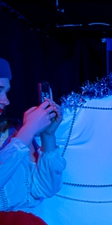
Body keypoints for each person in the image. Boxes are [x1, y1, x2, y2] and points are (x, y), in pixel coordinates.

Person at [0, 57, 65, 213]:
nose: (6, 101)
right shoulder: (21, 137)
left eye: (6, 92)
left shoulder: (12, 133)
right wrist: (28, 130)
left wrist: (47, 136)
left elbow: (45, 189)